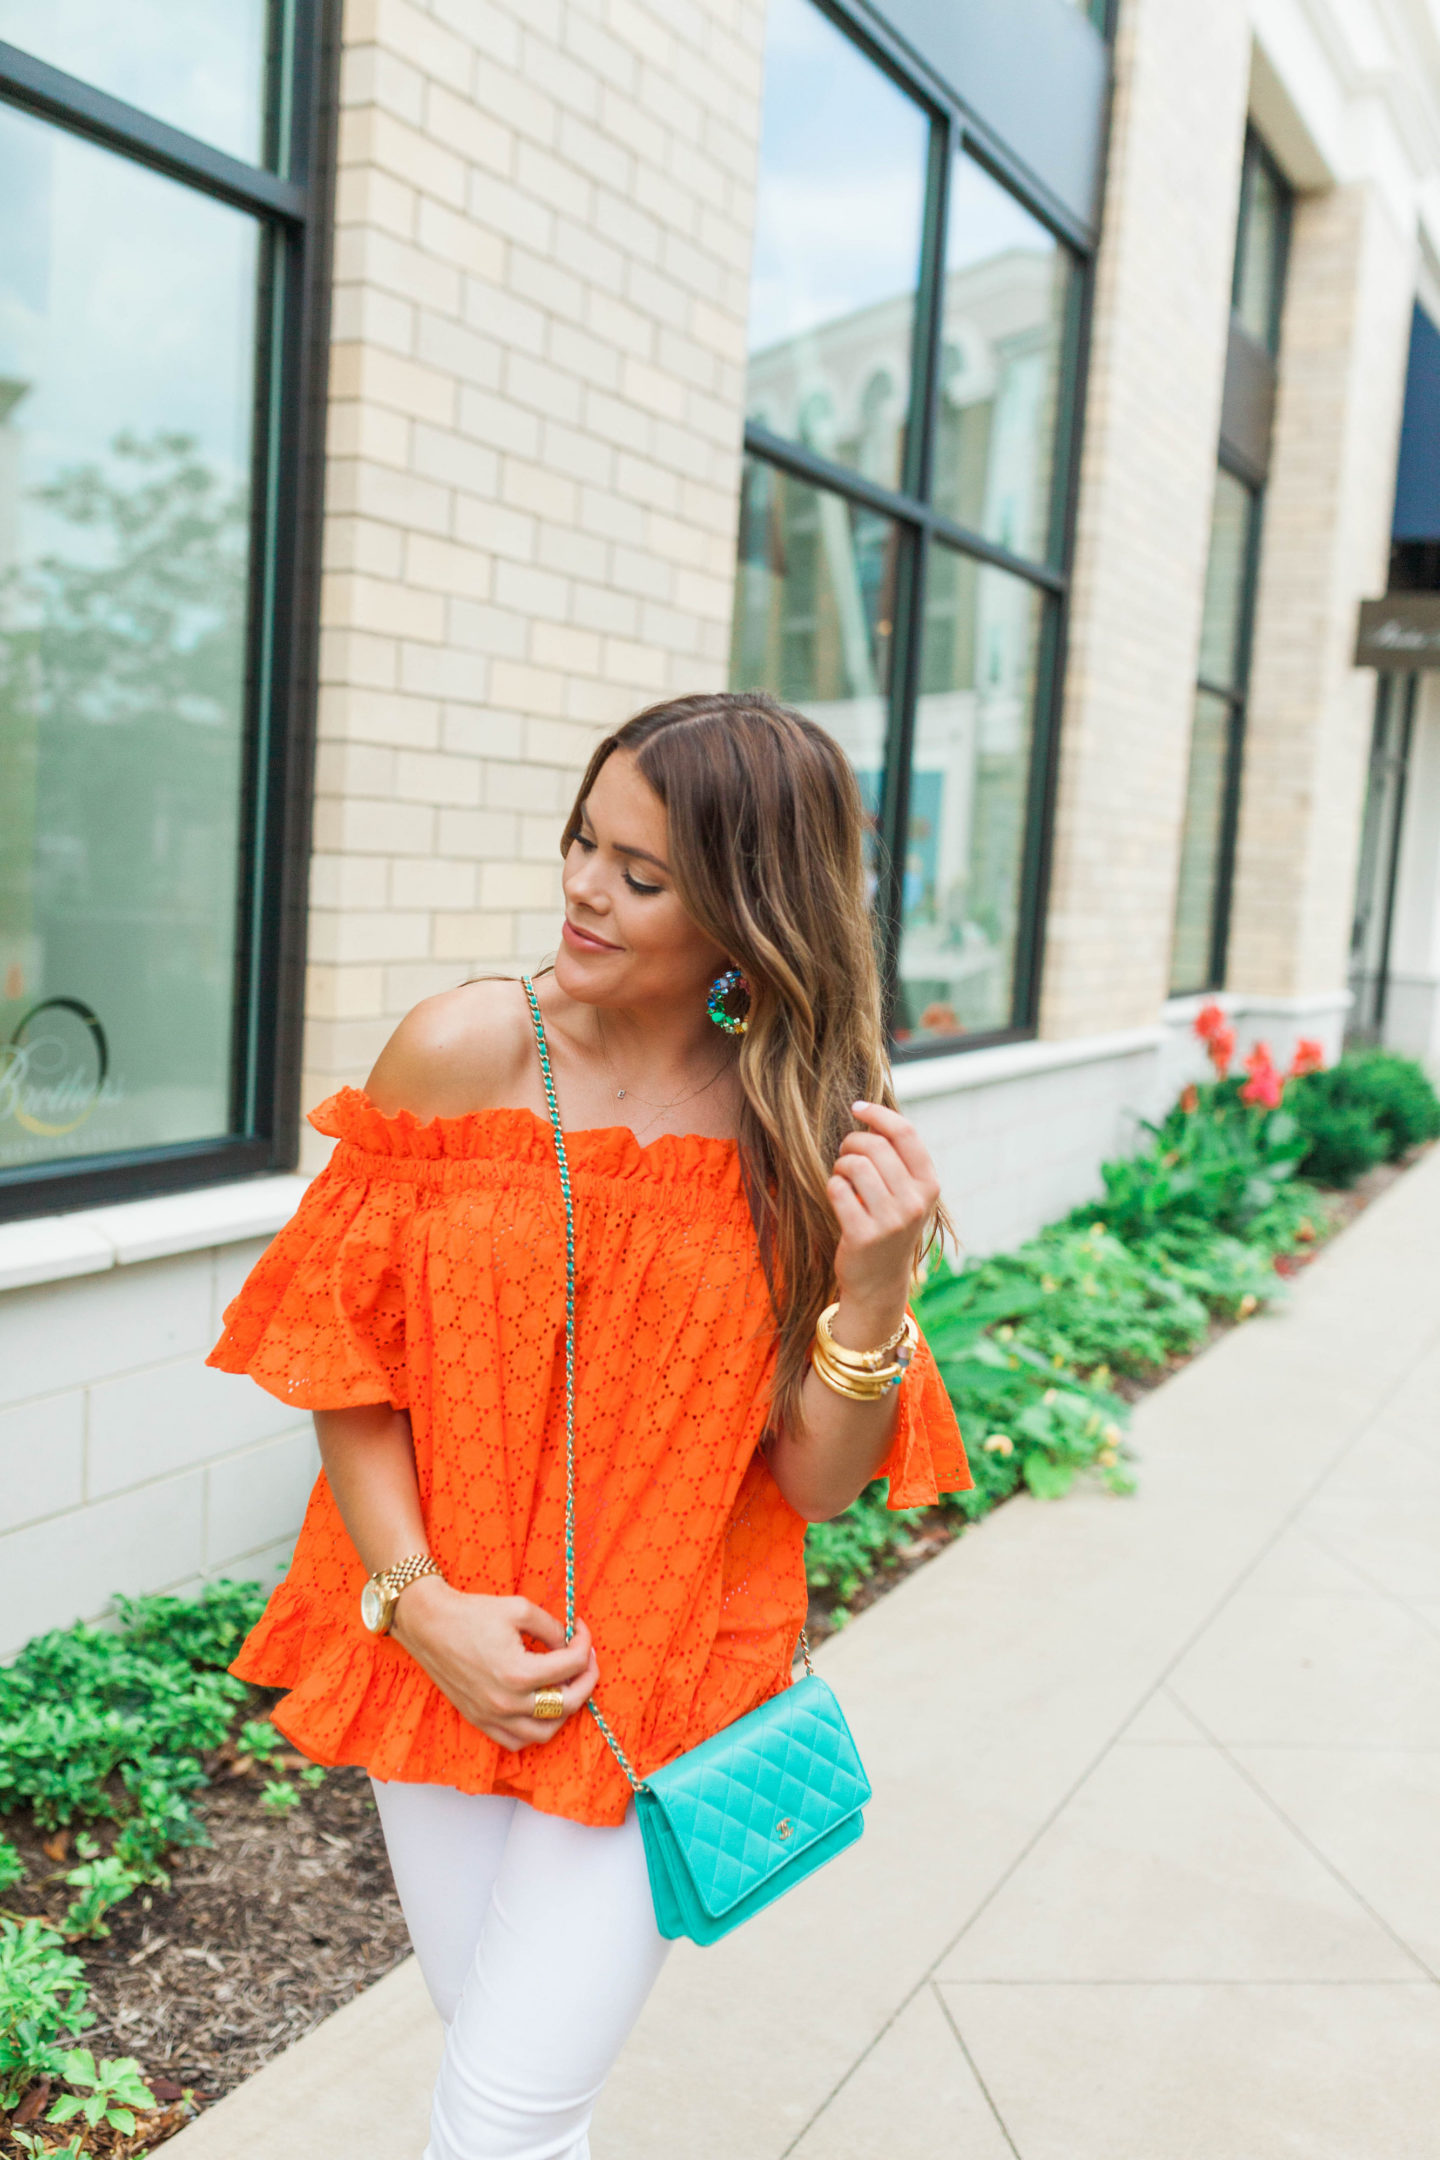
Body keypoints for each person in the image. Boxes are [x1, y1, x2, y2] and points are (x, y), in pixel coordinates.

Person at [208, 689, 970, 2160]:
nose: (581, 889)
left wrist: (872, 1293)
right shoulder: (460, 1049)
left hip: (670, 1678)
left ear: (752, 908)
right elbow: (351, 1370)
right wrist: (422, 1609)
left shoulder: (802, 1121)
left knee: (498, 2116)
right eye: (581, 841)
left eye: (641, 873)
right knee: (505, 2073)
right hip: (441, 1650)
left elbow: (813, 1482)